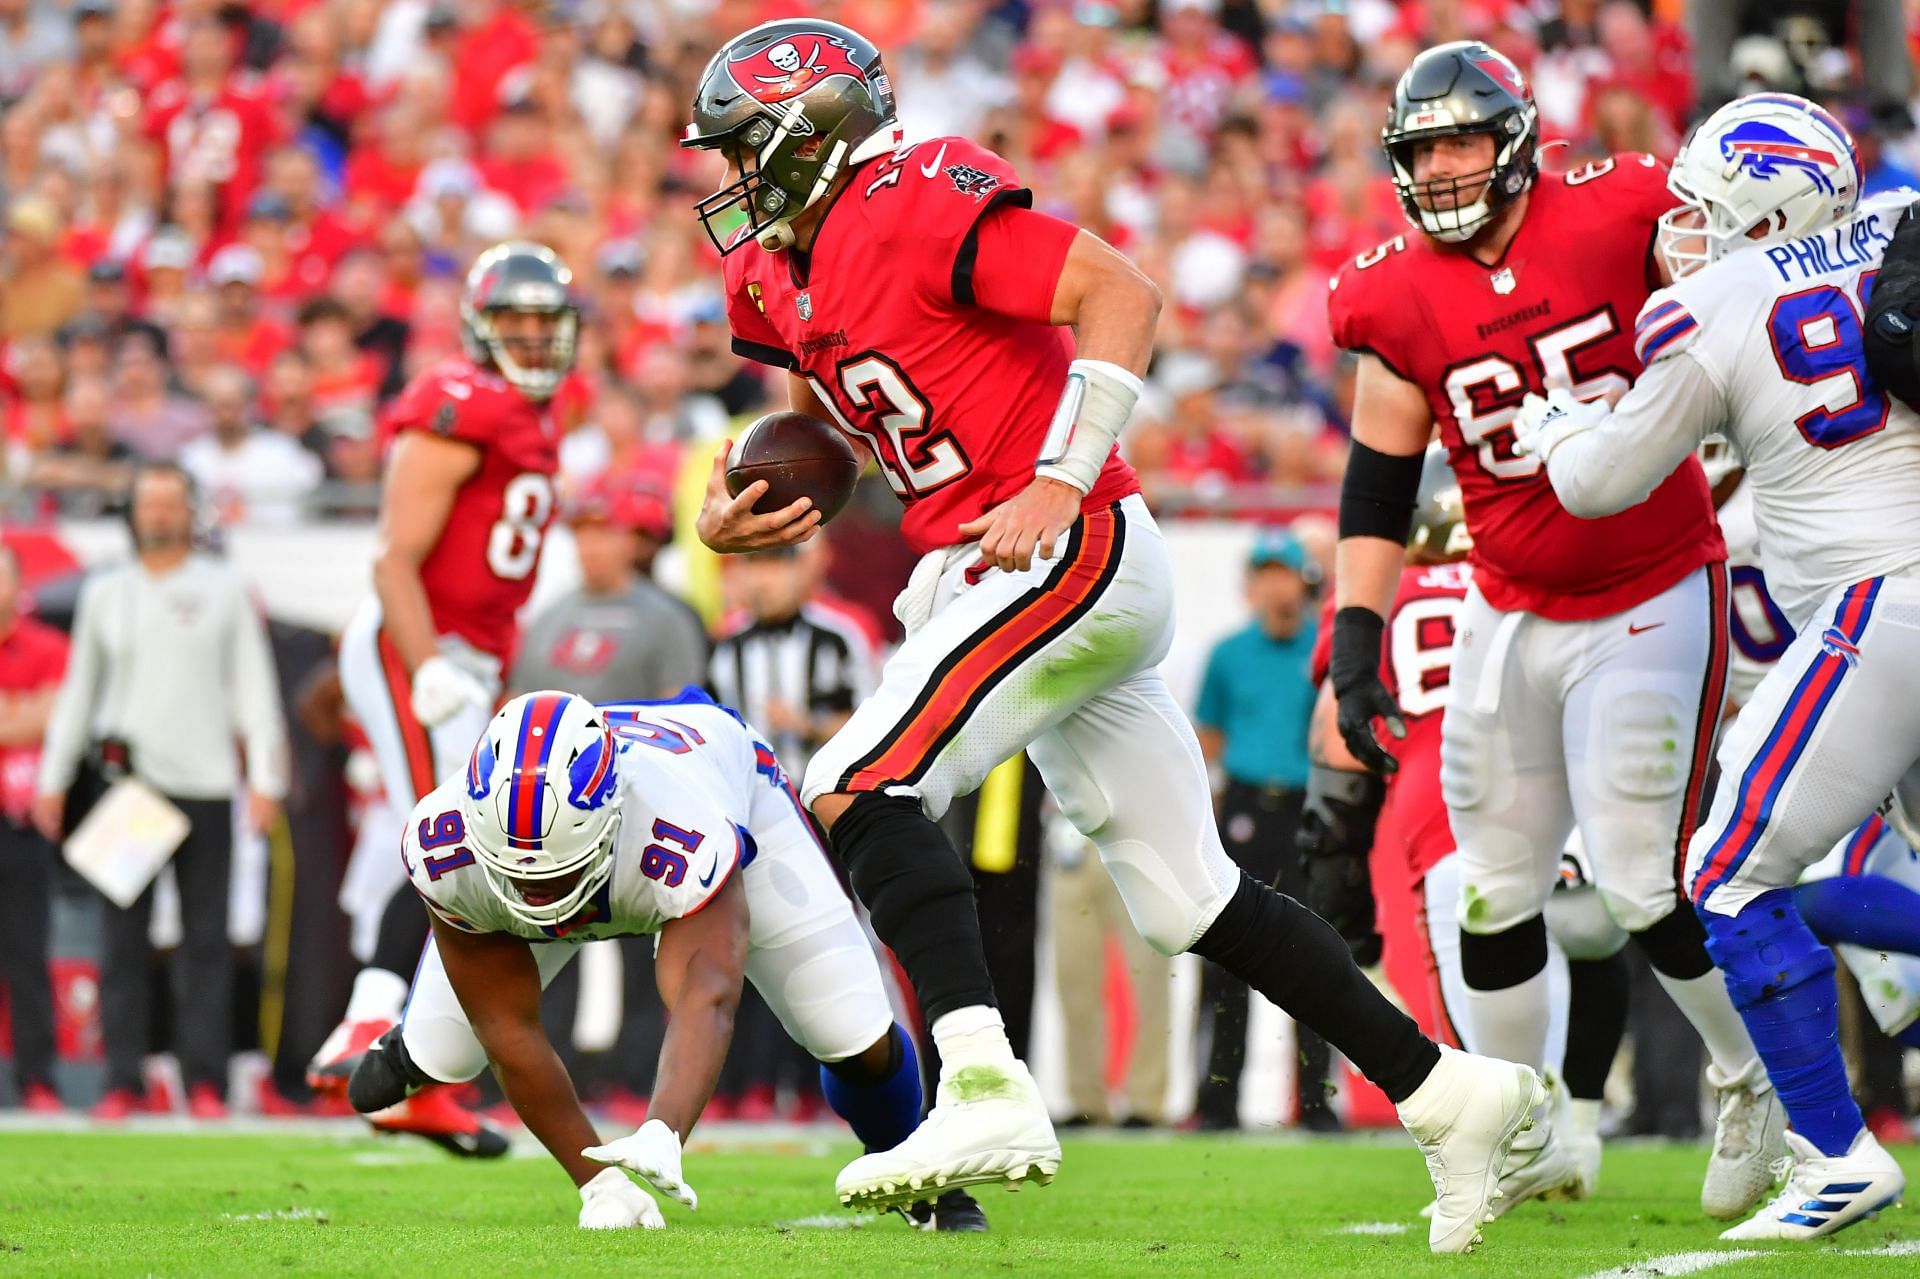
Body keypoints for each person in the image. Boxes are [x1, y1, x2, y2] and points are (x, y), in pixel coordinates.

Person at [684, 19, 1540, 1255]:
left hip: (1065, 541)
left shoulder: (914, 197)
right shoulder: (768, 273)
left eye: (746, 149)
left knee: (858, 778)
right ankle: (1456, 1097)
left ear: (814, 134)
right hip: (985, 558)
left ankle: (980, 1081)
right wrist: (746, 500)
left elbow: (1119, 294)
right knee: (1191, 898)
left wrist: (1058, 473)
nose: (731, 179)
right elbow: (841, 406)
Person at [1325, 40, 1775, 1222]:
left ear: (1517, 139)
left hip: (1655, 581)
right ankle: (1532, 1118)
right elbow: (1378, 488)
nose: (1442, 168)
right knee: (1494, 886)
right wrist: (1359, 639)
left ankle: (1754, 1080)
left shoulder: (1622, 207)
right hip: (1509, 601)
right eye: (1422, 150)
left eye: (1463, 140)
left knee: (1636, 877)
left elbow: (1734, 294)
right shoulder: (1389, 289)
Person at [1509, 92, 1917, 1239]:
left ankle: (1835, 1153)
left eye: (1698, 205)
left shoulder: (1718, 301)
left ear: (1759, 205)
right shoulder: (1899, 224)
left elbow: (1600, 483)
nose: (1679, 228)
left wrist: (1551, 430)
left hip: (1880, 604)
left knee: (1728, 873)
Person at [343, 689, 956, 1232]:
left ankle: (918, 1170)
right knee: (452, 1051)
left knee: (848, 1030)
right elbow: (509, 1027)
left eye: (558, 876)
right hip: (593, 860)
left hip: (735, 789)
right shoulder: (445, 842)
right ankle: (411, 1051)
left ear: (608, 819)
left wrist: (665, 1131)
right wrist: (597, 1184)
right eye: (518, 874)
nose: (541, 901)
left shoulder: (678, 825)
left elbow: (706, 995)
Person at [1302, 447, 1632, 1195]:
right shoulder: (1533, 572)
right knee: (1586, 940)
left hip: (1448, 810)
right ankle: (1578, 1126)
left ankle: (1534, 1142)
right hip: (1567, 795)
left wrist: (1344, 911)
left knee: (1491, 1031)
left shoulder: (1382, 599)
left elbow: (1335, 753)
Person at [308, 242, 578, 1155]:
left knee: (442, 841)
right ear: (479, 326)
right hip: (416, 645)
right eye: (516, 324)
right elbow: (393, 558)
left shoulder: (534, 416)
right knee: (458, 844)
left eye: (547, 324)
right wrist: (425, 665)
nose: (533, 340)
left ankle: (393, 1048)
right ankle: (377, 1038)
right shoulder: (459, 399)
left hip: (462, 659)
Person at [33, 462, 289, 1119]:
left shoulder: (225, 588)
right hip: (130, 788)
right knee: (123, 941)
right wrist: (54, 777)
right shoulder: (106, 592)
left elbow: (254, 690)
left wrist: (265, 777)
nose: (157, 515)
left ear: (188, 512)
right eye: (147, 503)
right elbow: (78, 693)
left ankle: (202, 1078)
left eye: (169, 503)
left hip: (206, 781)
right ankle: (125, 1078)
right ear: (133, 512)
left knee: (205, 941)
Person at [1189, 527, 1334, 1132]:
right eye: (1266, 574)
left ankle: (1316, 1105)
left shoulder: (1321, 647)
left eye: (1286, 573)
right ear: (1251, 586)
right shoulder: (1228, 654)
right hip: (1246, 807)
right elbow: (1209, 737)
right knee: (1228, 958)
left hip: (1307, 809)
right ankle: (1218, 1100)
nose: (1277, 586)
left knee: (1316, 958)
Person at [0, 543, 68, 1112]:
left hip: (21, 821)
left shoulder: (48, 646)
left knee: (27, 955)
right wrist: (20, 712)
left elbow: (53, 716)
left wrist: (24, 715)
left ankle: (37, 1079)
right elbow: (27, 718)